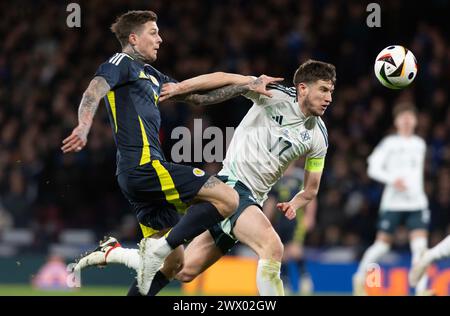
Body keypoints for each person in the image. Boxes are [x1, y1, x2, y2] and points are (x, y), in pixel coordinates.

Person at [61, 10, 280, 296]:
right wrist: (83, 126)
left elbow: (199, 98)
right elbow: (93, 91)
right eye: (153, 33)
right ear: (133, 38)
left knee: (175, 264)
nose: (160, 39)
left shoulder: (153, 76)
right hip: (144, 167)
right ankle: (156, 249)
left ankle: (117, 253)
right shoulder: (120, 63)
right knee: (229, 197)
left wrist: (246, 86)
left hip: (140, 177)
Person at [75, 59, 335, 296]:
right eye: (323, 90)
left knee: (183, 270)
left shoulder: (318, 137)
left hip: (252, 198)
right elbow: (223, 76)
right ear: (302, 88)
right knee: (273, 248)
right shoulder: (274, 94)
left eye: (331, 91)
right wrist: (178, 88)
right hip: (233, 186)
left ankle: (116, 253)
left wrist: (295, 204)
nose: (329, 97)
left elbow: (310, 189)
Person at [352, 102, 431, 296]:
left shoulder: (420, 144)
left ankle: (421, 290)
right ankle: (360, 277)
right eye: (402, 117)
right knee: (382, 246)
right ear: (396, 121)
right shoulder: (389, 144)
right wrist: (392, 180)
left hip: (416, 203)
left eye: (410, 116)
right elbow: (372, 167)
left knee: (420, 248)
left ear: (415, 120)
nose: (406, 120)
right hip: (393, 203)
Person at [263, 163, 317, 295]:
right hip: (280, 222)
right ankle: (286, 282)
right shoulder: (276, 179)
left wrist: (310, 216)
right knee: (281, 253)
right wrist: (264, 220)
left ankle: (305, 278)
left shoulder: (299, 177)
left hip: (296, 220)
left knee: (295, 250)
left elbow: (310, 196)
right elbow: (271, 201)